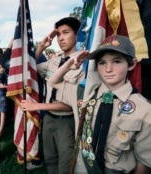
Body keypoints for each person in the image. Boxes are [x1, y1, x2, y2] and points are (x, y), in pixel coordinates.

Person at [45, 35, 151, 173]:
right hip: (83, 168)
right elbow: (53, 82)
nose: (108, 69)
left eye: (117, 61)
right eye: (102, 63)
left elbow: (143, 161)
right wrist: (69, 65)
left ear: (131, 64)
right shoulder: (83, 94)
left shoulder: (144, 109)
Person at [22, 17, 82, 174]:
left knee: (66, 164)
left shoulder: (83, 63)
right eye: (58, 35)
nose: (61, 38)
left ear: (77, 34)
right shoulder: (54, 61)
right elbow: (29, 68)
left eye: (66, 32)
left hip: (67, 121)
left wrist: (36, 106)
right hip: (48, 118)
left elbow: (72, 104)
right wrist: (41, 47)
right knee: (50, 159)